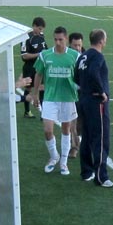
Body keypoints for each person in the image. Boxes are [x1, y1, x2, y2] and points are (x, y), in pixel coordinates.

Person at [32, 26, 80, 176]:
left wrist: (78, 87)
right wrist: (35, 94)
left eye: (61, 39)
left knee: (66, 130)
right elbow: (38, 74)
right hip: (50, 98)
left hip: (68, 98)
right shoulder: (45, 55)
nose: (58, 42)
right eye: (55, 39)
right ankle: (54, 157)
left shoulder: (75, 56)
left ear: (66, 39)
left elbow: (81, 76)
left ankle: (64, 163)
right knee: (47, 130)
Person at [75, 29, 113, 188]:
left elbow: (75, 76)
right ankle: (101, 176)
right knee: (101, 138)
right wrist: (101, 92)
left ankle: (86, 171)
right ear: (101, 41)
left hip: (83, 99)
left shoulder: (83, 56)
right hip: (96, 102)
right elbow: (93, 72)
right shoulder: (98, 56)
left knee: (87, 136)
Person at [21, 17, 47, 118]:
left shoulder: (41, 35)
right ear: (34, 26)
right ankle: (27, 111)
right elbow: (24, 55)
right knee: (28, 88)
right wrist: (39, 54)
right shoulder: (26, 37)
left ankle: (43, 113)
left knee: (42, 88)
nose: (41, 31)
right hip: (29, 67)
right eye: (39, 28)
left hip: (40, 66)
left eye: (42, 29)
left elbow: (45, 47)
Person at [68, 32, 85, 158]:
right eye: (75, 45)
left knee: (81, 123)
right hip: (70, 95)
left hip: (83, 95)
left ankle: (78, 143)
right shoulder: (66, 56)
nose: (78, 48)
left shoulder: (86, 56)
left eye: (79, 45)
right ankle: (74, 148)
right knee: (71, 123)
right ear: (70, 44)